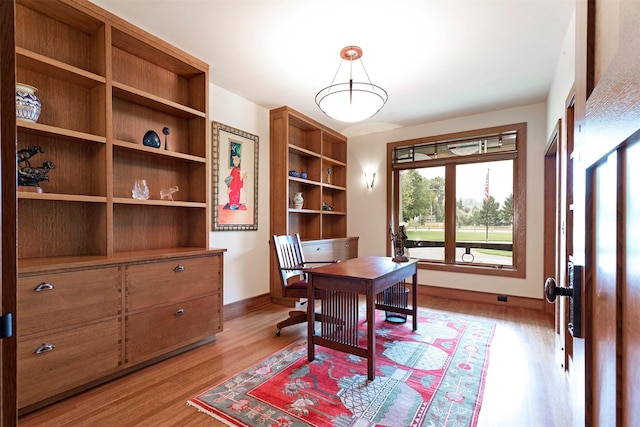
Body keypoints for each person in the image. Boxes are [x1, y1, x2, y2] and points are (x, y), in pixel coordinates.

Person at [225, 145, 248, 209]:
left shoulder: (238, 170)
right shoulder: (233, 170)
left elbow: (238, 182)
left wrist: (243, 178)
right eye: (235, 160)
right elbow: (231, 181)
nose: (237, 161)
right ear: (233, 161)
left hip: (236, 190)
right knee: (233, 204)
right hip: (233, 190)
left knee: (236, 204)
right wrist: (229, 188)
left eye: (238, 160)